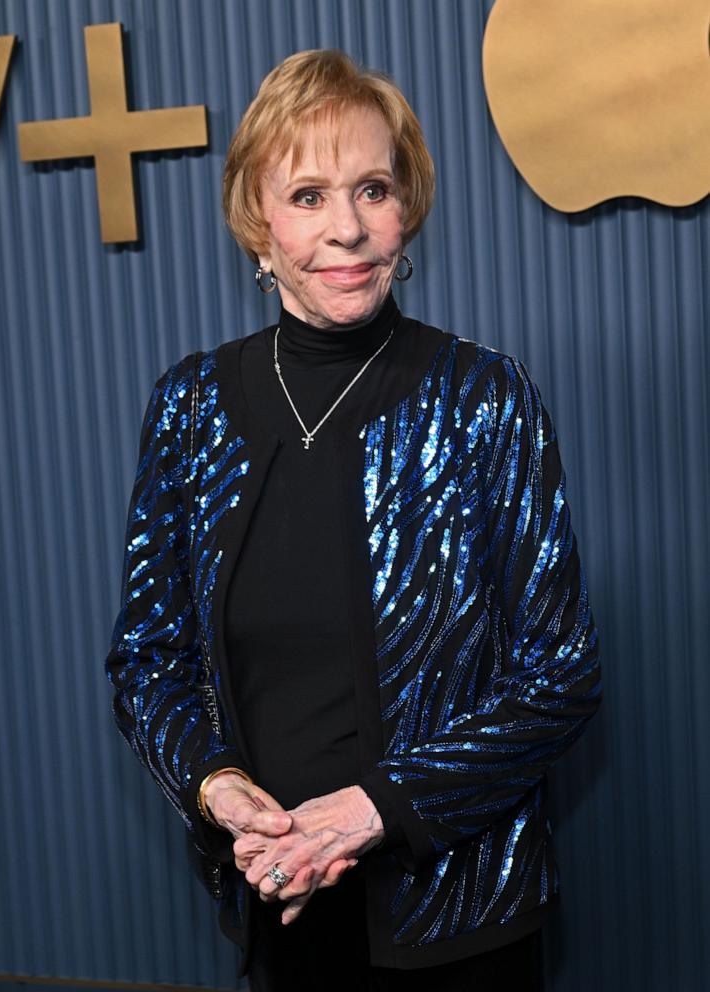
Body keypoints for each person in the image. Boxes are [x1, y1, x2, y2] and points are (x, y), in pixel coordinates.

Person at [105, 49, 601, 992]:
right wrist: (217, 792)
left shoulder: (484, 399)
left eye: (373, 188)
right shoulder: (192, 406)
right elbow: (147, 656)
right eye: (307, 197)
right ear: (257, 224)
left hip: (460, 918)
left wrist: (375, 809)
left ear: (406, 206)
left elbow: (563, 674)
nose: (348, 229)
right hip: (277, 900)